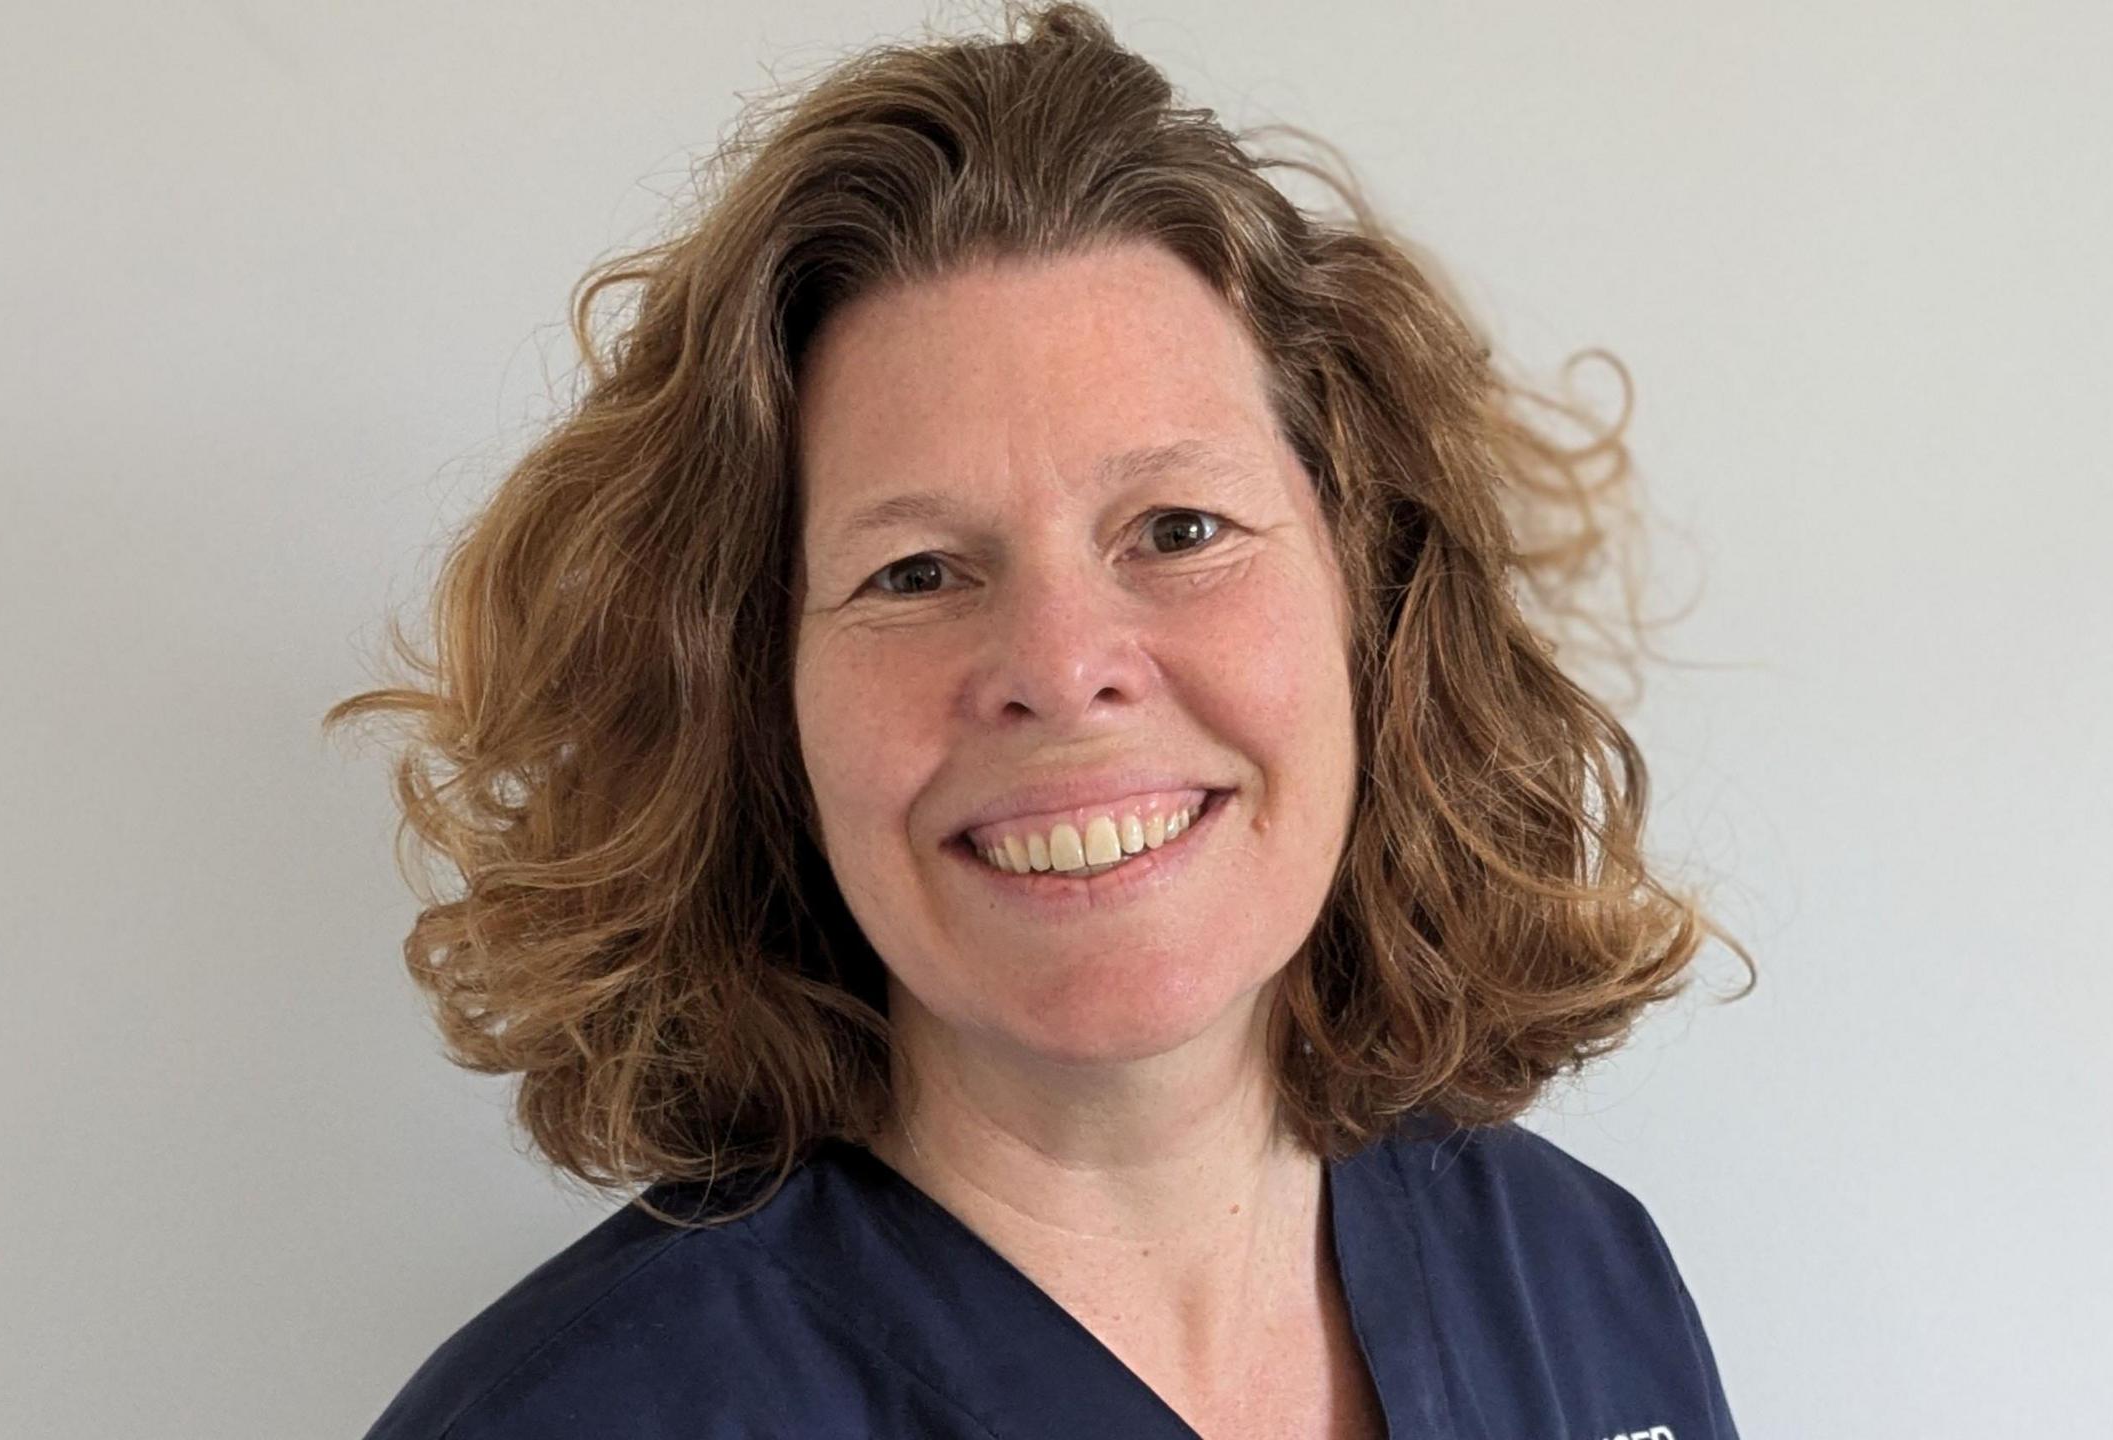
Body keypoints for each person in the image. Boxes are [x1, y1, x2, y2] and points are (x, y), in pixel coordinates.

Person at [327, 4, 1756, 1436]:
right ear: (759, 704)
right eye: (917, 572)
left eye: (1179, 527)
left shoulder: (1581, 1287)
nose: (1063, 667)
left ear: (1370, 600)